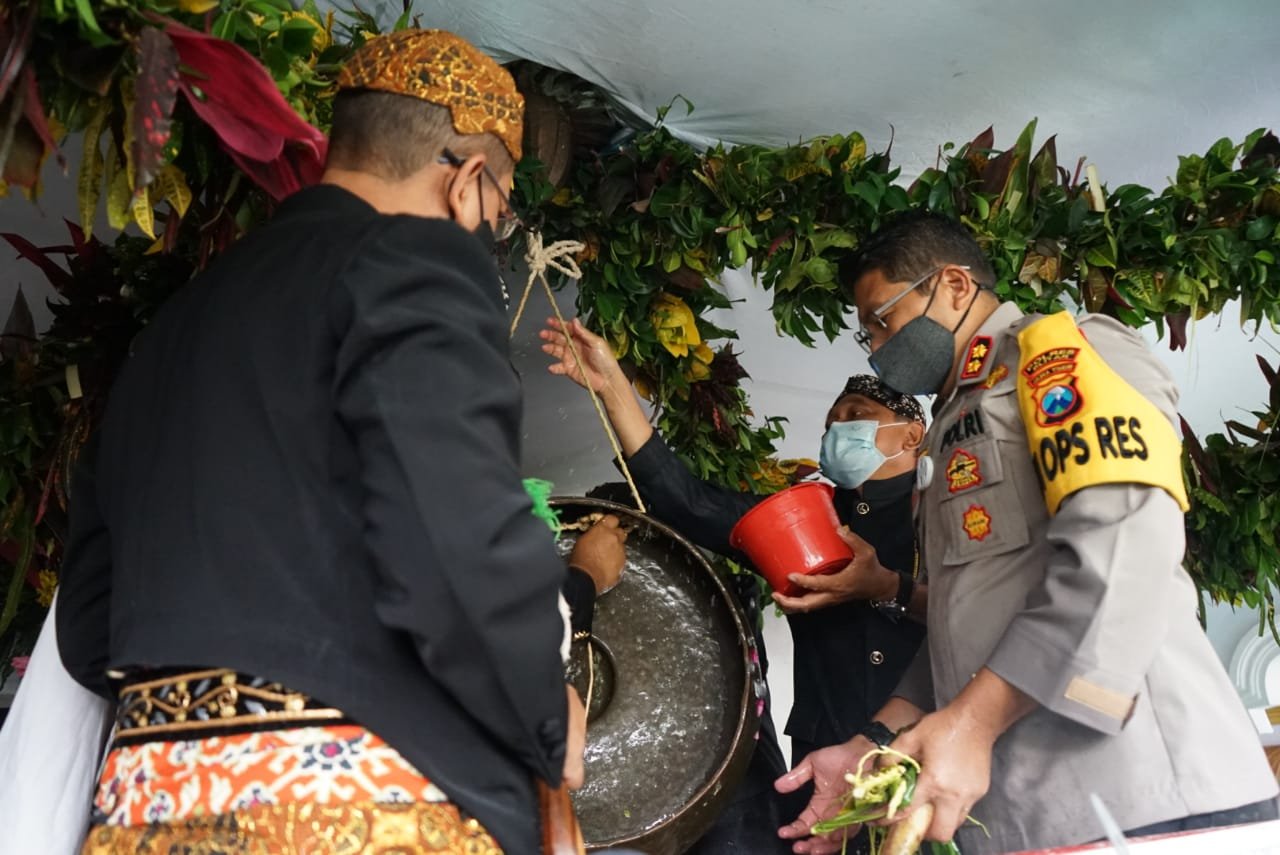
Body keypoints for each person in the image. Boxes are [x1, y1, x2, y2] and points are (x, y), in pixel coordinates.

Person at [56, 29, 618, 854]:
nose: (491, 230)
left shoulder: (175, 326)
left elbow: (88, 621)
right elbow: (455, 539)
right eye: (500, 210)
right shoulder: (416, 265)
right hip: (353, 811)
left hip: (141, 812)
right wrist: (543, 710)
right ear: (467, 182)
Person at [778, 212, 1280, 854]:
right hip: (1025, 820)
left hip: (1145, 801)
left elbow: (1124, 550)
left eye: (883, 319)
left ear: (954, 285)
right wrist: (871, 744)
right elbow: (963, 630)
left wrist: (973, 723)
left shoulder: (1057, 356)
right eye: (867, 332)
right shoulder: (949, 427)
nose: (876, 346)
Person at [541, 319, 929, 853]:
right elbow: (688, 502)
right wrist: (612, 388)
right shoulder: (802, 519)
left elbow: (983, 614)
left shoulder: (948, 513)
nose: (838, 429)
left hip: (925, 750)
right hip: (827, 763)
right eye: (832, 421)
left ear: (913, 434)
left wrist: (887, 586)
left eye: (857, 416)